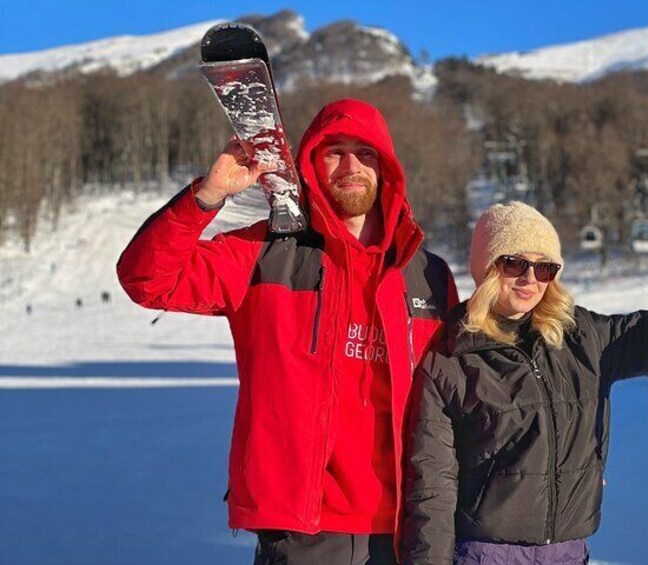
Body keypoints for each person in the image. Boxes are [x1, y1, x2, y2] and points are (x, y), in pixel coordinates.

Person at [117, 99, 458, 564]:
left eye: (366, 153)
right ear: (311, 165)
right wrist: (208, 196)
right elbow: (147, 280)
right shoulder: (266, 253)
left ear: (387, 169)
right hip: (302, 531)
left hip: (406, 531)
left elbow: (453, 400)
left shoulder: (428, 275)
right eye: (335, 152)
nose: (351, 166)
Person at [401, 202, 648, 565]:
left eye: (544, 268)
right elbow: (432, 489)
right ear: (487, 268)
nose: (530, 278)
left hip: (568, 552)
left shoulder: (582, 338)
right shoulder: (452, 359)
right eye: (514, 263)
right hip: (487, 555)